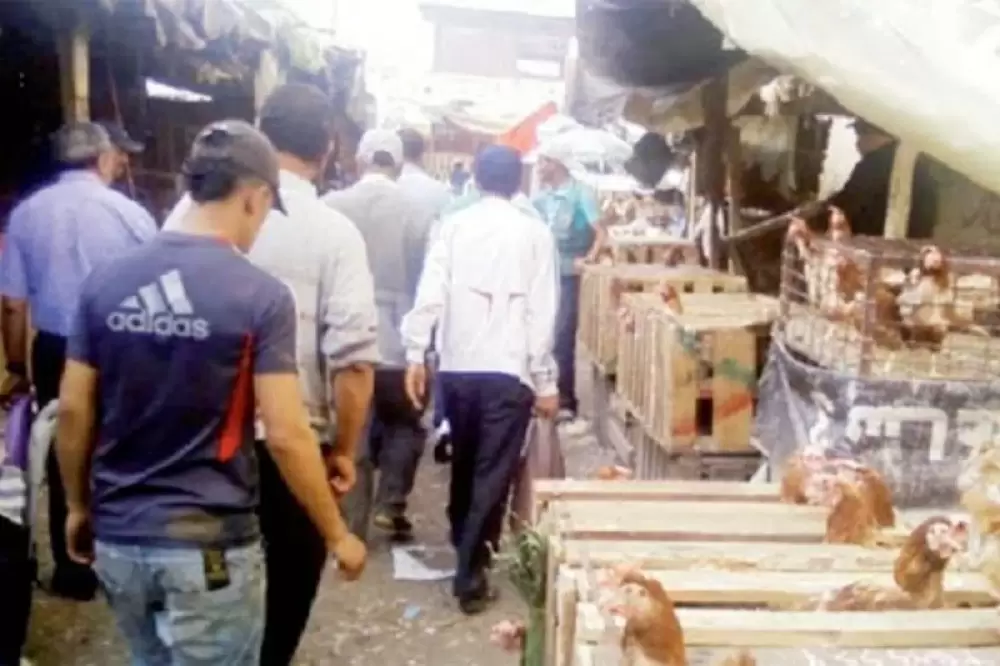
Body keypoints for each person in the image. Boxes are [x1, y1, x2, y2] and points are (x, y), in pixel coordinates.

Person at [55, 119, 366, 666]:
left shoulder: (106, 280)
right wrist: (337, 534)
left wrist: (79, 506)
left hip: (122, 543)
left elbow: (76, 409)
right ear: (255, 197)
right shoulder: (259, 297)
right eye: (267, 212)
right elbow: (289, 434)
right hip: (209, 548)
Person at [162, 83, 379, 665]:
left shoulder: (186, 215)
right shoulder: (334, 234)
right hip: (292, 457)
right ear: (329, 148)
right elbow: (354, 362)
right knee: (277, 618)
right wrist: (344, 452)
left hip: (190, 449)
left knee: (195, 614)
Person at [0, 122, 157, 607]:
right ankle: (127, 564)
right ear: (103, 159)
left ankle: (73, 569)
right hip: (119, 344)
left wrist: (15, 365)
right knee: (124, 445)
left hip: (56, 350)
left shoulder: (26, 215)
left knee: (60, 447)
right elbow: (155, 294)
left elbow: (12, 303)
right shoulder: (132, 215)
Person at [401, 145, 559, 615]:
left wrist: (416, 351)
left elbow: (430, 291)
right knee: (494, 469)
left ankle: (463, 538)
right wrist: (545, 379)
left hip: (458, 367)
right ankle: (471, 573)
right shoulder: (535, 233)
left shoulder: (453, 227)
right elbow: (541, 311)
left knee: (466, 461)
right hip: (509, 370)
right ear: (518, 183)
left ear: (476, 179)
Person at [324, 130, 426, 542]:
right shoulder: (416, 211)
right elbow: (425, 277)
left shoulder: (331, 207)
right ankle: (392, 503)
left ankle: (352, 527)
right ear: (398, 165)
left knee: (353, 431)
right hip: (399, 337)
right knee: (405, 421)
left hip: (344, 335)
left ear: (359, 161)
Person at [533, 144, 605, 424]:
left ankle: (566, 399)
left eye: (544, 161)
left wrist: (588, 259)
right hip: (542, 274)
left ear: (558, 164)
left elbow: (600, 233)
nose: (539, 167)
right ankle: (542, 391)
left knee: (563, 335)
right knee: (542, 333)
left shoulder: (581, 194)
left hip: (568, 275)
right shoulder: (541, 199)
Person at [827, 118, 935, 238]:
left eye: (860, 134)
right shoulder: (918, 162)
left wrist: (819, 211)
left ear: (872, 133)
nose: (858, 143)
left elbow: (846, 203)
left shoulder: (874, 164)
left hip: (876, 242)